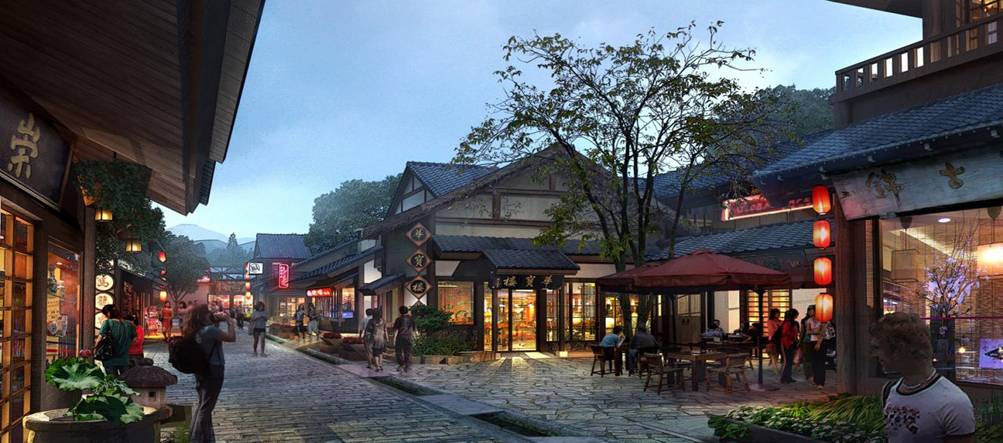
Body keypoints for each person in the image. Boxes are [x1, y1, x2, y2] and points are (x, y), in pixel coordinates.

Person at [872, 313, 975, 443]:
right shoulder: (889, 391)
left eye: (879, 348)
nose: (875, 355)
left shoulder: (954, 403)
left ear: (900, 349)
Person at [184, 304, 236, 443]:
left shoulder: (195, 330)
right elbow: (231, 337)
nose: (211, 314)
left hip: (202, 369)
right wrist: (229, 321)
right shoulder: (210, 330)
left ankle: (203, 438)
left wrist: (216, 319)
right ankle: (197, 439)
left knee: (203, 405)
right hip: (214, 369)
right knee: (206, 408)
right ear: (203, 316)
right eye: (208, 313)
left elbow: (212, 333)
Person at [97, 304, 136, 376]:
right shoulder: (129, 324)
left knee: (112, 381)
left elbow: (100, 339)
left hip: (109, 359)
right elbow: (134, 340)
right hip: (124, 359)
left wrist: (95, 349)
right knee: (125, 380)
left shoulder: (107, 323)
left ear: (108, 313)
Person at [804, 305, 826, 387]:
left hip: (821, 342)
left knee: (821, 362)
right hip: (812, 342)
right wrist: (817, 331)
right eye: (809, 310)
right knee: (814, 362)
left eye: (811, 310)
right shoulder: (809, 320)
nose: (809, 312)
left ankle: (821, 382)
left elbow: (823, 332)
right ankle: (816, 380)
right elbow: (807, 332)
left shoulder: (822, 319)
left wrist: (819, 343)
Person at [393, 306, 416, 373]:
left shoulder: (398, 319)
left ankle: (401, 364)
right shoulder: (411, 319)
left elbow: (396, 330)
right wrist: (415, 338)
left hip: (400, 337)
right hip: (409, 337)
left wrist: (394, 338)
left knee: (399, 352)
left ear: (400, 311)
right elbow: (414, 330)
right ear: (407, 311)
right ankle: (407, 366)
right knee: (408, 352)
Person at [779, 308, 800, 384]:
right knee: (787, 361)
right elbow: (784, 333)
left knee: (790, 361)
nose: (797, 316)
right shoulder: (787, 323)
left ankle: (788, 377)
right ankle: (784, 378)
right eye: (796, 314)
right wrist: (792, 336)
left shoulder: (792, 323)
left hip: (790, 343)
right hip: (786, 344)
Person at [799, 306, 816, 383]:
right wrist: (800, 341)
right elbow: (802, 331)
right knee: (807, 358)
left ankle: (813, 373)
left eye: (813, 310)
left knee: (813, 358)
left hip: (814, 340)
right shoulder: (804, 320)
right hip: (807, 340)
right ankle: (808, 374)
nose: (812, 312)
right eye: (811, 310)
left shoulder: (817, 319)